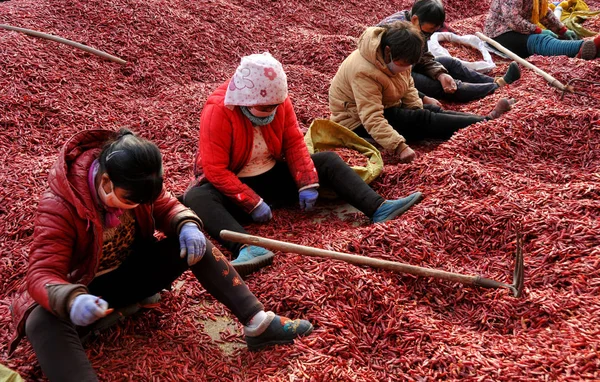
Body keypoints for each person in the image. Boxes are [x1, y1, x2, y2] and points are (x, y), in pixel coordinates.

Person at [8, 129, 313, 382]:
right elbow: (40, 274)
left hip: (126, 274)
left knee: (193, 244)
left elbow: (168, 206)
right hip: (84, 290)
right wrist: (71, 298)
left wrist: (187, 223)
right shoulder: (60, 207)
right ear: (105, 182)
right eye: (129, 200)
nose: (135, 205)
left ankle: (258, 323)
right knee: (39, 321)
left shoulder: (138, 182)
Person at [183, 52, 423, 277]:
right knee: (196, 198)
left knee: (327, 161)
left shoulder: (279, 102)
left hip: (270, 175)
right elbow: (215, 169)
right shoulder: (218, 110)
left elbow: (294, 141)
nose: (271, 113)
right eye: (265, 108)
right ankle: (247, 247)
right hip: (235, 186)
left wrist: (306, 181)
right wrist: (251, 202)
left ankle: (378, 207)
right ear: (245, 99)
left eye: (275, 107)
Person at [328, 21, 515, 163]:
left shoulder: (397, 57)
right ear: (387, 52)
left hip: (385, 104)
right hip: (355, 121)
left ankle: (481, 120)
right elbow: (371, 117)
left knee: (428, 114)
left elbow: (407, 84)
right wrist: (399, 147)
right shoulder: (364, 71)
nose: (406, 68)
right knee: (421, 120)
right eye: (403, 64)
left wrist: (417, 106)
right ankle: (485, 122)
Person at [378, 0, 522, 103]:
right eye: (429, 30)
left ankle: (496, 81)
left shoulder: (417, 25)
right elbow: (395, 66)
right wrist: (440, 78)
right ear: (415, 19)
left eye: (435, 30)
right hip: (396, 75)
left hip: (411, 65)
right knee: (444, 86)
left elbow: (424, 56)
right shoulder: (397, 30)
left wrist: (440, 73)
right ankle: (494, 88)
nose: (430, 34)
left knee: (450, 64)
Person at [484, 0, 600, 59]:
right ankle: (579, 47)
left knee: (551, 37)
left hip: (519, 29)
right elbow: (512, 19)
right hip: (500, 34)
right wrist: (537, 30)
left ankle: (586, 48)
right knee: (540, 40)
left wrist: (562, 30)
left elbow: (544, 13)